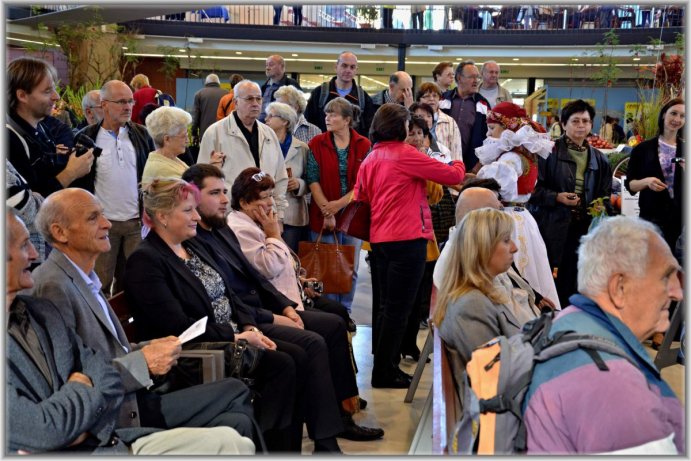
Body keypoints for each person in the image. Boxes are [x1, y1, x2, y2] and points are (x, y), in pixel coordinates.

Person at [123, 178, 376, 452]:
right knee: (284, 364)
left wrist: (249, 326)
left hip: (233, 332)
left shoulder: (192, 246)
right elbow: (180, 328)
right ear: (161, 216)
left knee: (300, 354)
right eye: (188, 210)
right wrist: (239, 334)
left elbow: (230, 294)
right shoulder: (146, 261)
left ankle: (301, 446)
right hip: (197, 351)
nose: (197, 216)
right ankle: (275, 448)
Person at [6, 209, 254, 455]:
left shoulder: (39, 309)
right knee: (235, 422)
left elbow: (97, 367)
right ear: (60, 232)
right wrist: (79, 404)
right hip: (114, 418)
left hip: (109, 413)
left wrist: (144, 350)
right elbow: (45, 429)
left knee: (237, 420)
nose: (35, 253)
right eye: (92, 217)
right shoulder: (51, 287)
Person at [224, 168, 384, 441]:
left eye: (271, 196)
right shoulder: (240, 227)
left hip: (289, 297)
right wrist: (274, 234)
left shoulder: (257, 223)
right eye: (262, 198)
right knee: (330, 328)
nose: (270, 203)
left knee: (337, 315)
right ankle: (338, 412)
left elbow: (283, 264)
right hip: (270, 307)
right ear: (243, 202)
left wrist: (300, 278)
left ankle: (343, 399)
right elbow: (267, 268)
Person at [524, 216, 684, 454]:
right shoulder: (614, 387)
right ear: (619, 288)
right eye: (666, 277)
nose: (677, 293)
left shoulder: (564, 322)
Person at [354, 103, 465, 388]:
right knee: (400, 310)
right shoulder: (405, 155)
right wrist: (456, 159)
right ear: (399, 128)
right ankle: (385, 372)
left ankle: (383, 366)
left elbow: (361, 194)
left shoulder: (371, 157)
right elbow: (454, 176)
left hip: (379, 240)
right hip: (408, 239)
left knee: (385, 308)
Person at [74, 80, 157, 297]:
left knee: (133, 284)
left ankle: (128, 330)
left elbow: (151, 173)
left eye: (130, 101)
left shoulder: (142, 135)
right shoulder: (85, 138)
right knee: (99, 284)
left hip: (135, 224)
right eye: (121, 102)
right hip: (102, 225)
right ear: (104, 105)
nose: (128, 106)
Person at [474, 102, 560, 308]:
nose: (489, 134)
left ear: (507, 130)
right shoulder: (525, 156)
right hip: (523, 218)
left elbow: (495, 186)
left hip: (509, 219)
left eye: (493, 128)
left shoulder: (511, 158)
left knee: (514, 271)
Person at [529, 99, 612, 308]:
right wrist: (557, 197)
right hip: (551, 225)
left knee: (577, 276)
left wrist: (600, 205)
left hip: (583, 226)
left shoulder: (599, 159)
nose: (581, 125)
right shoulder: (547, 153)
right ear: (563, 124)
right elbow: (532, 191)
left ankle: (572, 318)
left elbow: (604, 193)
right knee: (549, 277)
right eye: (575, 121)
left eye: (585, 121)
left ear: (591, 125)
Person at [434, 208, 535, 369]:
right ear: (483, 246)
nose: (515, 248)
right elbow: (491, 375)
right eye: (506, 240)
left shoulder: (479, 293)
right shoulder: (472, 305)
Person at [306, 97, 371, 312]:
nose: (327, 118)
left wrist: (338, 206)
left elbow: (362, 183)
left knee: (348, 268)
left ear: (347, 120)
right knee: (324, 267)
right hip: (322, 212)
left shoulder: (364, 144)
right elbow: (312, 179)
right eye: (327, 114)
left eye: (333, 114)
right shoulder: (317, 142)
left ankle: (345, 312)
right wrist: (327, 210)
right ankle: (326, 311)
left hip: (353, 215)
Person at [197, 80, 289, 223]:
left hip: (266, 216)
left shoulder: (269, 133)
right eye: (249, 99)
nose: (255, 103)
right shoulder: (215, 133)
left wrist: (279, 215)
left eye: (258, 98)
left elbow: (281, 177)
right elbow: (203, 181)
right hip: (230, 217)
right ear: (236, 102)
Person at [7, 56, 94, 198]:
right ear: (22, 95)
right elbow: (27, 207)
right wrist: (71, 173)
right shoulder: (11, 139)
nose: (57, 97)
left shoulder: (41, 127)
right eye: (47, 91)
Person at [625, 97, 684, 251]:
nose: (677, 119)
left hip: (680, 220)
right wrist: (647, 182)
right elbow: (630, 184)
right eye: (673, 113)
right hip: (650, 219)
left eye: (682, 116)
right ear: (664, 114)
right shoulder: (642, 149)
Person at [264, 102, 310, 251]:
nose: (266, 119)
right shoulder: (262, 144)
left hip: (293, 213)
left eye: (271, 116)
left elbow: (311, 179)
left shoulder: (302, 147)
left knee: (290, 258)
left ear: (285, 121)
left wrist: (299, 184)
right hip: (267, 210)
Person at [304, 51, 376, 137]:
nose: (348, 70)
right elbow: (308, 123)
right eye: (344, 65)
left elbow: (369, 129)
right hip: (323, 147)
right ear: (336, 67)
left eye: (352, 67)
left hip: (353, 149)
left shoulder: (363, 98)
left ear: (356, 71)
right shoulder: (319, 94)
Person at [440, 60, 490, 171]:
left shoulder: (483, 104)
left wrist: (479, 164)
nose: (476, 81)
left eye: (477, 77)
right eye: (472, 77)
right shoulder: (442, 100)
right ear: (459, 78)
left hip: (471, 167)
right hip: (442, 163)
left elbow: (489, 138)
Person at [6, 160, 45, 264]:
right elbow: (24, 210)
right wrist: (36, 198)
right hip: (19, 258)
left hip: (27, 253)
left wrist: (31, 197)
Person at [415, 82, 463, 163]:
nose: (431, 99)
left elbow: (456, 151)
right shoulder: (413, 121)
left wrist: (456, 170)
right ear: (419, 100)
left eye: (435, 96)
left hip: (445, 167)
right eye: (426, 96)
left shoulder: (449, 121)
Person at [142, 106, 193, 182]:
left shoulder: (169, 158)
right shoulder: (162, 170)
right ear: (167, 139)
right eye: (184, 136)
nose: (187, 140)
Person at [260, 55, 302, 122]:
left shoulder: (291, 84)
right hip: (263, 125)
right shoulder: (264, 87)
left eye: (271, 65)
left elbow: (300, 106)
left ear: (282, 67)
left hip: (282, 126)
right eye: (266, 65)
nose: (267, 68)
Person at [191, 73, 228, 144]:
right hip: (223, 134)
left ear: (206, 83)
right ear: (218, 83)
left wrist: (194, 133)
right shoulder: (227, 94)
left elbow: (195, 116)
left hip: (205, 134)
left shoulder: (199, 94)